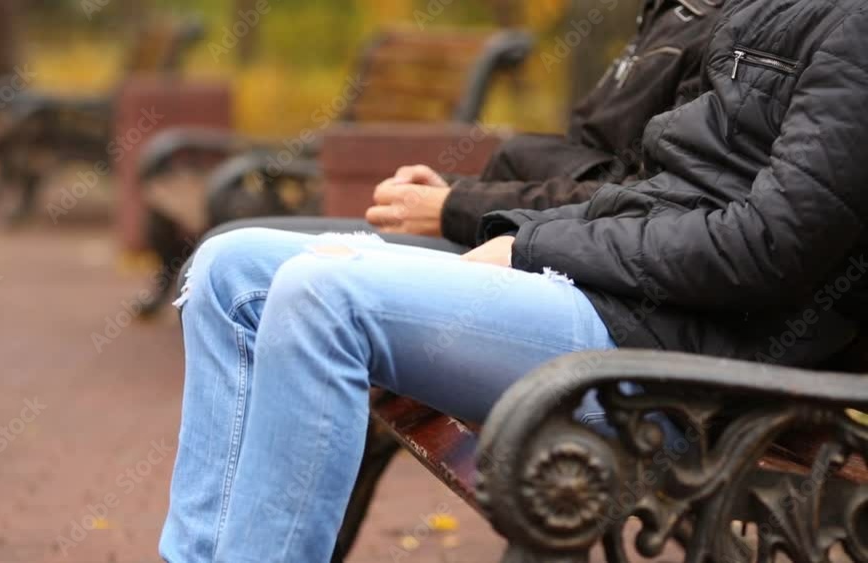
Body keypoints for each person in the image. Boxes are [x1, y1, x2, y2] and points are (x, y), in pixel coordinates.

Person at [161, 0, 868, 561]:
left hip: (684, 355)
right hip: (614, 296)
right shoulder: (750, 12)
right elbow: (651, 187)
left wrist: (530, 245)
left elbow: (766, 247)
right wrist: (515, 227)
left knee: (324, 296)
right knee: (234, 267)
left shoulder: (849, 23)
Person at [203, 0, 723, 255]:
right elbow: (593, 158)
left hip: (549, 267)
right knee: (231, 256)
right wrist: (461, 198)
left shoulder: (721, 30)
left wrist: (458, 208)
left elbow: (642, 203)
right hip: (513, 237)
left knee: (242, 260)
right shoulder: (671, 14)